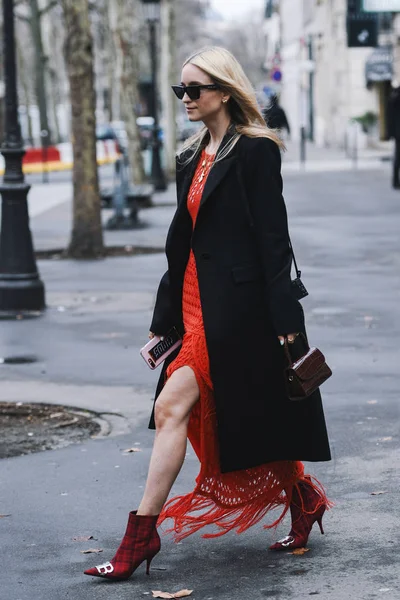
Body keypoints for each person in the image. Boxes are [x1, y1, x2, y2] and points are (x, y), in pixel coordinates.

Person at [84, 46, 331, 582]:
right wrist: (163, 318)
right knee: (241, 412)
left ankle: (139, 537)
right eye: (181, 91)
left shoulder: (256, 152)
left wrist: (287, 321)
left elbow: (273, 241)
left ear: (224, 90)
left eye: (194, 90)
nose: (186, 100)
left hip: (240, 311)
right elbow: (185, 242)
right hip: (195, 304)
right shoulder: (192, 154)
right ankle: (303, 497)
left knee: (175, 407)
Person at [387, 83, 400, 189]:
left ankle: (395, 181)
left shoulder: (394, 95)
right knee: (398, 158)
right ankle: (395, 181)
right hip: (398, 133)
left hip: (397, 133)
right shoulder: (395, 96)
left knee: (397, 158)